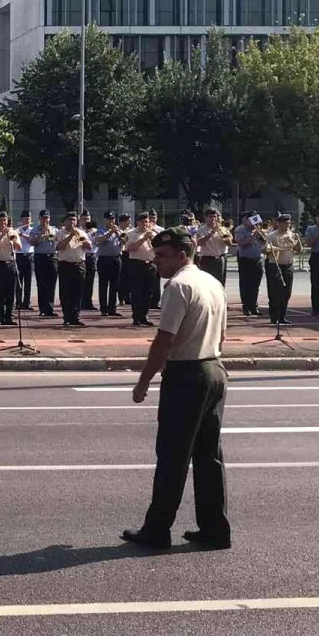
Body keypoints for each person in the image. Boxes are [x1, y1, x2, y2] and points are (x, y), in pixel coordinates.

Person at [122, 226, 230, 551]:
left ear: (182, 255)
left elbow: (164, 341)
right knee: (209, 455)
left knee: (172, 455)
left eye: (162, 255)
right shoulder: (212, 282)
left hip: (188, 374)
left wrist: (143, 381)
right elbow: (223, 336)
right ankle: (215, 529)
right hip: (214, 368)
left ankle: (157, 530)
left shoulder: (178, 286)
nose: (156, 261)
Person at [55, 212, 91, 328]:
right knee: (66, 293)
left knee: (78, 293)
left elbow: (89, 247)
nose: (72, 222)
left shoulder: (81, 232)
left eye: (74, 220)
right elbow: (59, 247)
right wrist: (70, 236)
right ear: (65, 221)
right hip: (65, 265)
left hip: (79, 264)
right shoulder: (59, 233)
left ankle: (76, 317)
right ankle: (67, 317)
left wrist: (82, 239)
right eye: (70, 219)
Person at [264, 214, 301, 325]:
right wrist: (276, 249)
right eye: (285, 223)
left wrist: (298, 241)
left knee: (286, 292)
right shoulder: (271, 236)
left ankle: (282, 316)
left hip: (288, 265)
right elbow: (266, 250)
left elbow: (299, 250)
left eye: (289, 223)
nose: (288, 225)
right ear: (279, 223)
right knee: (274, 292)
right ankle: (273, 317)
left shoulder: (292, 235)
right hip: (275, 265)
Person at [125, 211, 157, 328]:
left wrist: (152, 237)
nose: (145, 224)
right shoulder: (131, 233)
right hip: (136, 264)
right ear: (138, 222)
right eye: (143, 221)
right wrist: (144, 238)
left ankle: (145, 316)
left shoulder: (153, 233)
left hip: (150, 264)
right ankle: (137, 317)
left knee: (148, 292)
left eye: (147, 222)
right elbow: (129, 248)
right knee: (137, 292)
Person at [234, 213, 266, 317]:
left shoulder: (259, 229)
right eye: (252, 220)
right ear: (245, 220)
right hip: (245, 259)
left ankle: (254, 306)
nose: (254, 222)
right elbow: (241, 243)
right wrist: (252, 236)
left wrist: (261, 234)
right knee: (245, 284)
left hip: (258, 259)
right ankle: (246, 306)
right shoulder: (240, 229)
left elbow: (265, 242)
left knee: (255, 284)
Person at [28, 210, 58, 318]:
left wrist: (51, 235)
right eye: (43, 218)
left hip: (52, 257)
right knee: (41, 284)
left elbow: (58, 242)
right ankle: (42, 309)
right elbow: (32, 242)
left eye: (47, 218)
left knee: (51, 284)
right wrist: (41, 234)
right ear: (39, 219)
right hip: (40, 257)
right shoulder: (35, 230)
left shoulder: (54, 230)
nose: (45, 220)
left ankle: (49, 308)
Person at [95, 211, 124, 317]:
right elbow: (98, 240)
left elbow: (124, 242)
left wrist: (117, 234)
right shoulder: (101, 230)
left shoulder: (119, 231)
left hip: (116, 259)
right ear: (105, 220)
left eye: (113, 219)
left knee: (115, 285)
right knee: (103, 285)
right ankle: (103, 309)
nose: (111, 221)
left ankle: (112, 308)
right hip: (104, 260)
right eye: (109, 219)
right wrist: (110, 232)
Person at [195, 209, 231, 285]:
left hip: (221, 258)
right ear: (205, 217)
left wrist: (226, 237)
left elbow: (229, 243)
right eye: (210, 216)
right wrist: (212, 232)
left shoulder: (223, 229)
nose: (213, 219)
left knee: (221, 283)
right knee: (207, 283)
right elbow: (200, 243)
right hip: (207, 260)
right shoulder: (201, 230)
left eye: (215, 216)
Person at [15, 210, 34, 311]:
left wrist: (22, 235)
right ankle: (18, 302)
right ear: (22, 220)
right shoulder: (17, 230)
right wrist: (18, 233)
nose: (27, 220)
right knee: (19, 281)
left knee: (28, 281)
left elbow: (32, 241)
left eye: (29, 218)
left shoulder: (33, 230)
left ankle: (27, 303)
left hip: (29, 256)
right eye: (25, 219)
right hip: (19, 256)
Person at [79, 210, 98, 312]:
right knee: (82, 280)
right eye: (84, 219)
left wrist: (93, 234)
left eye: (88, 219)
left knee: (90, 280)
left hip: (91, 256)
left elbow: (97, 243)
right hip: (82, 256)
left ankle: (89, 302)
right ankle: (81, 302)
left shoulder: (95, 231)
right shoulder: (78, 231)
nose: (86, 221)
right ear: (80, 220)